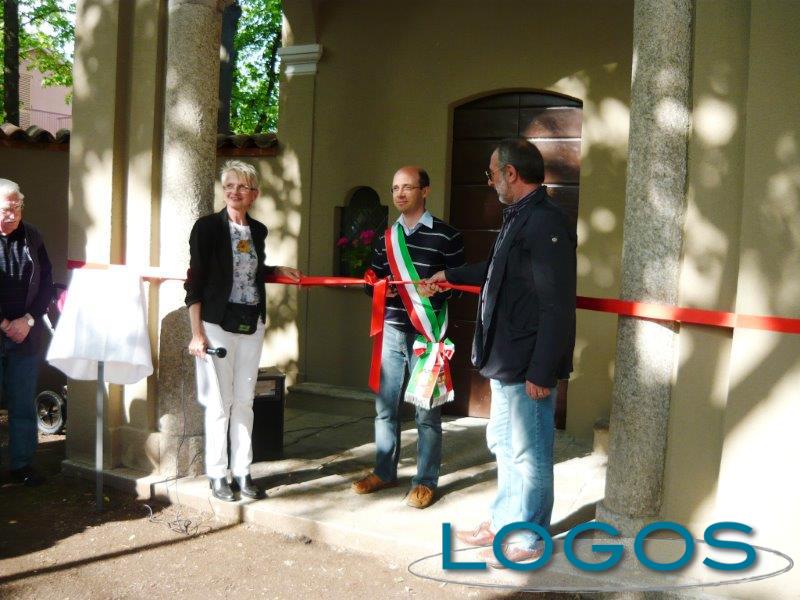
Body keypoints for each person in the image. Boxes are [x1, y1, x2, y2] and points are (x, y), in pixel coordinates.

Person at [427, 138, 576, 566]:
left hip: (528, 364)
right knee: (505, 444)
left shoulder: (546, 222)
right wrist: (450, 275)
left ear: (511, 173)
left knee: (530, 453)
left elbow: (557, 305)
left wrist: (542, 372)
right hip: (506, 358)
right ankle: (504, 520)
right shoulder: (519, 217)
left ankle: (529, 536)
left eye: (492, 174)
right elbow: (495, 272)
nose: (490, 182)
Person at [185, 160, 301, 502]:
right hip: (216, 323)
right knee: (220, 402)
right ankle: (217, 474)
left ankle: (243, 471)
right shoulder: (207, 228)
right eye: (229, 186)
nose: (235, 192)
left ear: (254, 194)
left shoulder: (258, 231)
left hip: (252, 322)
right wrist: (196, 333)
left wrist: (277, 270)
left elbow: (251, 270)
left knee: (245, 401)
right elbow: (195, 281)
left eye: (242, 187)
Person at [351, 166, 465, 509]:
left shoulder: (447, 236)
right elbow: (374, 280)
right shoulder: (386, 238)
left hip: (426, 335)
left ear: (425, 191)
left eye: (407, 187)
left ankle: (426, 480)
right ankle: (384, 471)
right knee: (385, 407)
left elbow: (459, 287)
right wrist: (375, 286)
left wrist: (439, 290)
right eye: (395, 188)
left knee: (426, 413)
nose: (400, 194)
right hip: (391, 330)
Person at [0, 179, 54, 487]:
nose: (12, 215)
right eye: (5, 210)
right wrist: (5, 324)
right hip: (5, 329)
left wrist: (29, 320)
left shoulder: (32, 236)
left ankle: (22, 465)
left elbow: (47, 282)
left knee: (22, 403)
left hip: (26, 334)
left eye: (17, 208)